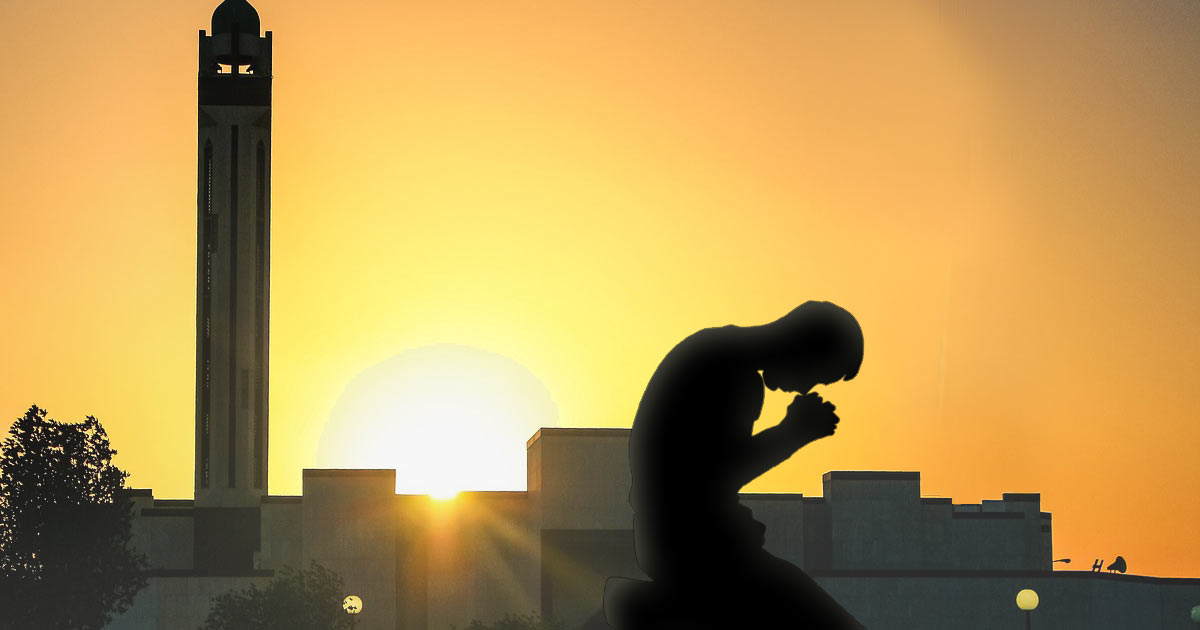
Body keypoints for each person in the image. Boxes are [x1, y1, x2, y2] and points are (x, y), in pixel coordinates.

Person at [620, 301, 866, 629]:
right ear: (804, 349)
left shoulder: (718, 355)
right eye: (817, 376)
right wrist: (792, 433)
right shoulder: (731, 374)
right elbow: (714, 476)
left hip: (682, 542)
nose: (806, 388)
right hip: (693, 550)